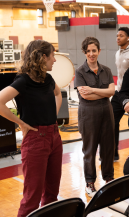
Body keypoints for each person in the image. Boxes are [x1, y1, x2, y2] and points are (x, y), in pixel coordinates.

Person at [0, 40, 62, 217]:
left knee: (51, 195)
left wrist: (53, 116)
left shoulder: (48, 79)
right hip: (36, 140)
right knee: (31, 199)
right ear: (43, 57)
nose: (55, 60)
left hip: (55, 138)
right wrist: (21, 123)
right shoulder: (23, 80)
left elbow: (58, 94)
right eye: (53, 55)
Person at [74, 37, 115, 197]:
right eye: (88, 51)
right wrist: (102, 93)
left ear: (98, 51)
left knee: (108, 148)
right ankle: (90, 183)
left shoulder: (107, 70)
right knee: (89, 150)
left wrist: (92, 90)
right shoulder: (79, 72)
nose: (92, 54)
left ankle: (109, 179)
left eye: (94, 50)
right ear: (85, 52)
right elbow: (86, 97)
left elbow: (112, 91)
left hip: (107, 112)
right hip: (88, 114)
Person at [112, 27, 129, 161]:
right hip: (118, 92)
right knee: (111, 121)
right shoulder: (117, 53)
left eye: (121, 36)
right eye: (117, 36)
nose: (118, 38)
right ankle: (113, 153)